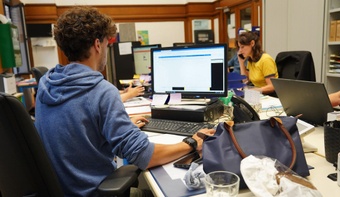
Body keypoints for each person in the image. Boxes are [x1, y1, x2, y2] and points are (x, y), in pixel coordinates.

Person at [34, 6, 215, 197]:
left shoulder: (47, 84)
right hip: (92, 192)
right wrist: (192, 142)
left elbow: (75, 132)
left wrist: (123, 127)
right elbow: (145, 156)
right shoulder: (100, 91)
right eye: (106, 43)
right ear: (97, 44)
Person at [236, 31, 278, 95]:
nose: (240, 51)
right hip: (260, 94)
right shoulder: (251, 60)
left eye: (242, 47)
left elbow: (272, 87)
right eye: (239, 47)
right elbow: (245, 81)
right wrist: (241, 63)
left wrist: (255, 90)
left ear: (252, 43)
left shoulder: (266, 60)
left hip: (271, 96)